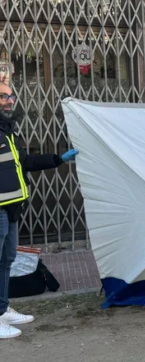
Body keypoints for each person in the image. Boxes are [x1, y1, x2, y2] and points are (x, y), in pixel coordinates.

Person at [0, 82, 79, 339]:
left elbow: (24, 162)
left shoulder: (8, 131)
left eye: (12, 96)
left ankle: (2, 310)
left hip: (11, 208)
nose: (10, 101)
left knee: (6, 261)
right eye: (3, 96)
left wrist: (58, 159)